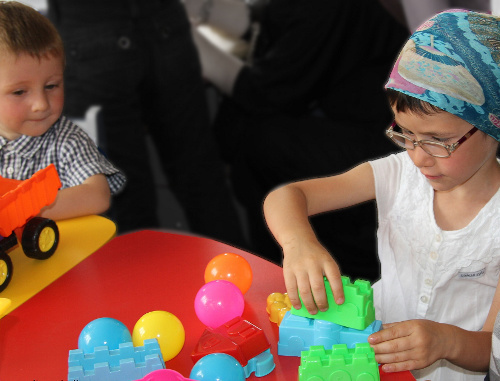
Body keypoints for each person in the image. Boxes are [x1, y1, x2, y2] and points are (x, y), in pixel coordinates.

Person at [264, 9, 500, 380]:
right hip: (371, 364)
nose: (419, 156)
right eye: (405, 133)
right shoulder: (399, 173)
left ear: (492, 126)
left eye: (439, 140)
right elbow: (288, 196)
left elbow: (494, 350)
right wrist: (299, 245)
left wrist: (447, 342)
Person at [185, 0, 409, 275]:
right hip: (343, 125)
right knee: (245, 139)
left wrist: (193, 38)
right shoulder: (285, 9)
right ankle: (275, 266)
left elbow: (267, 92)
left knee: (258, 141)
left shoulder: (322, 9)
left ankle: (288, 269)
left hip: (384, 141)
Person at [46, 0, 246, 247]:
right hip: (163, 22)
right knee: (202, 178)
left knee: (124, 197)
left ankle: (146, 283)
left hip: (89, 30)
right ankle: (241, 280)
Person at [0, 1, 125, 221]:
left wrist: (22, 211)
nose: (41, 104)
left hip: (66, 253)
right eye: (19, 92)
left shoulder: (66, 141)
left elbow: (98, 196)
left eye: (51, 86)